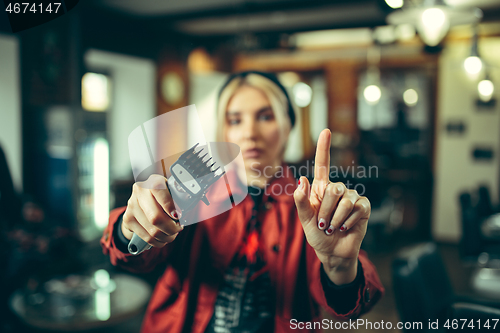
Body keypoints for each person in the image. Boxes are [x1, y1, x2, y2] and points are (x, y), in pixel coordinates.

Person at [101, 71, 385, 333]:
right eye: (234, 120)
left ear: (289, 125)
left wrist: (340, 267)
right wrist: (132, 227)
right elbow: (135, 261)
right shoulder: (191, 192)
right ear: (223, 131)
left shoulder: (310, 205)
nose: (249, 133)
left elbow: (353, 304)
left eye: (265, 116)